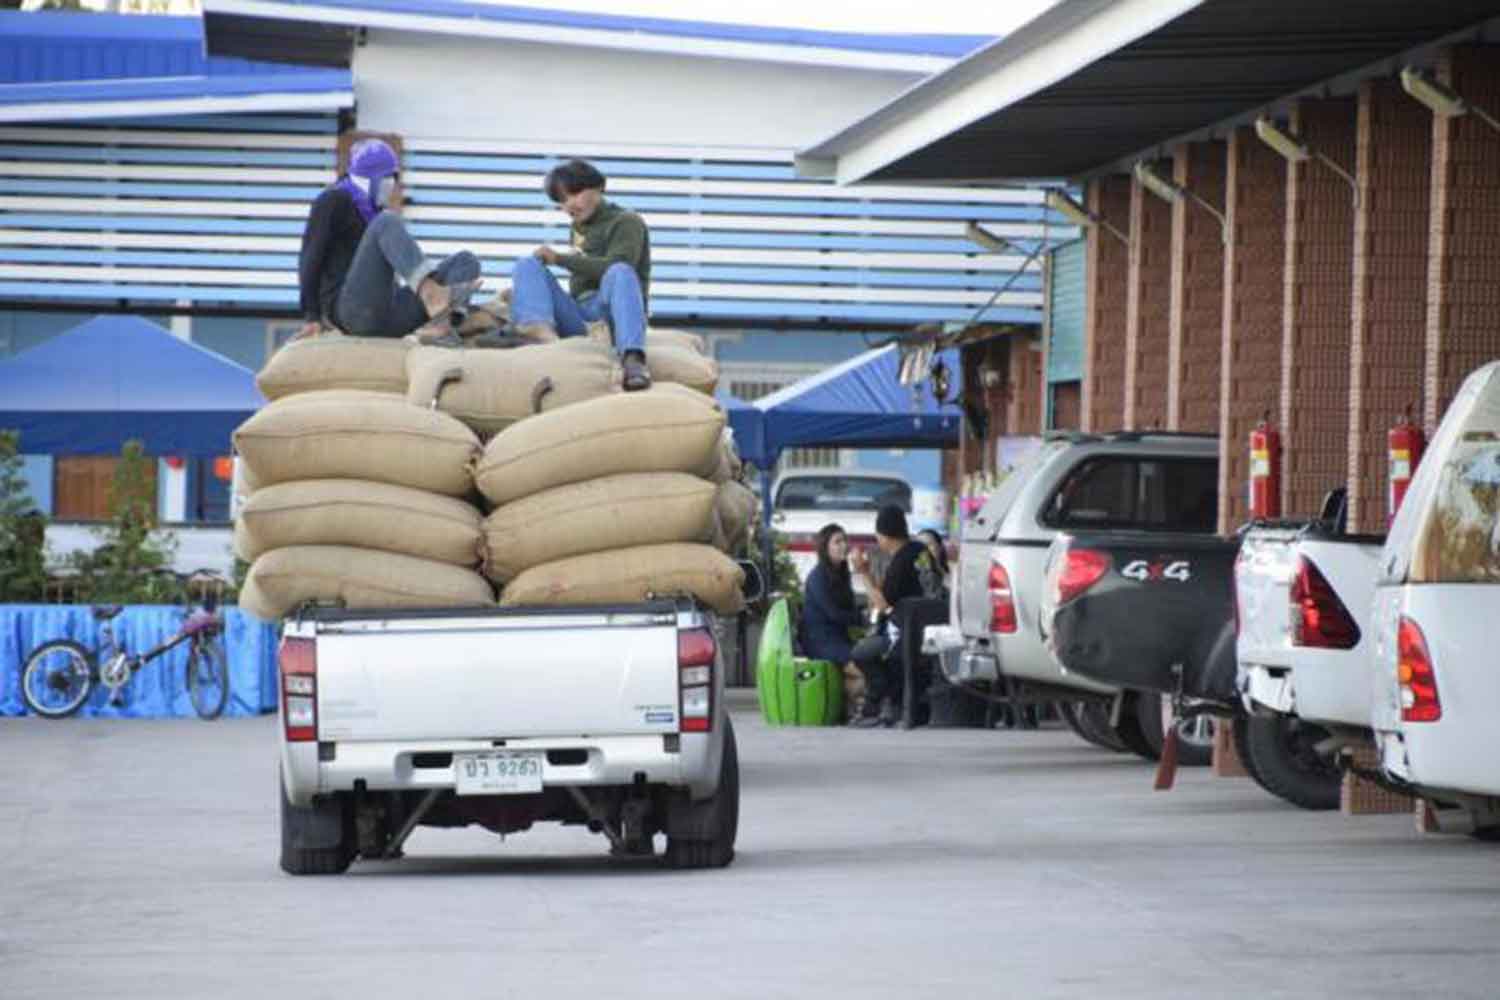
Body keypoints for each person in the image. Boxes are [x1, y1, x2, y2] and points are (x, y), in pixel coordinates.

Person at [297, 138, 481, 344]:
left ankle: (442, 325)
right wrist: (311, 316)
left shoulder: (376, 213)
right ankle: (431, 294)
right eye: (388, 178)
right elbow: (310, 258)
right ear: (371, 179)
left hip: (388, 314)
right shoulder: (333, 200)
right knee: (386, 221)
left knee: (466, 261)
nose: (392, 185)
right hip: (351, 312)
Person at [509, 159, 653, 391]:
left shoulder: (626, 221)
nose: (569, 205)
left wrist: (559, 259)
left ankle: (633, 360)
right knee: (527, 264)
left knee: (620, 271)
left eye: (575, 193)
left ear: (597, 187)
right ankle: (539, 333)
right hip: (581, 317)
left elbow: (615, 267)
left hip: (611, 318)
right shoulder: (577, 227)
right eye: (562, 200)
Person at [847, 505, 943, 728]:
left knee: (861, 652)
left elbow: (881, 603)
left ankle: (887, 699)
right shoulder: (920, 551)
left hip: (905, 636)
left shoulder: (901, 561)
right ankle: (887, 703)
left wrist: (862, 573)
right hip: (931, 630)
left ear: (883, 535)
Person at [800, 524, 866, 708]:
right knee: (867, 672)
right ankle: (850, 706)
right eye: (837, 542)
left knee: (869, 668)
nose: (843, 545)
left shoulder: (842, 575)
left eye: (845, 541)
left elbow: (850, 609)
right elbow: (833, 614)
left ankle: (848, 709)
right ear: (825, 547)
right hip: (820, 642)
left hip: (839, 639)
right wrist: (862, 619)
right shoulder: (817, 576)